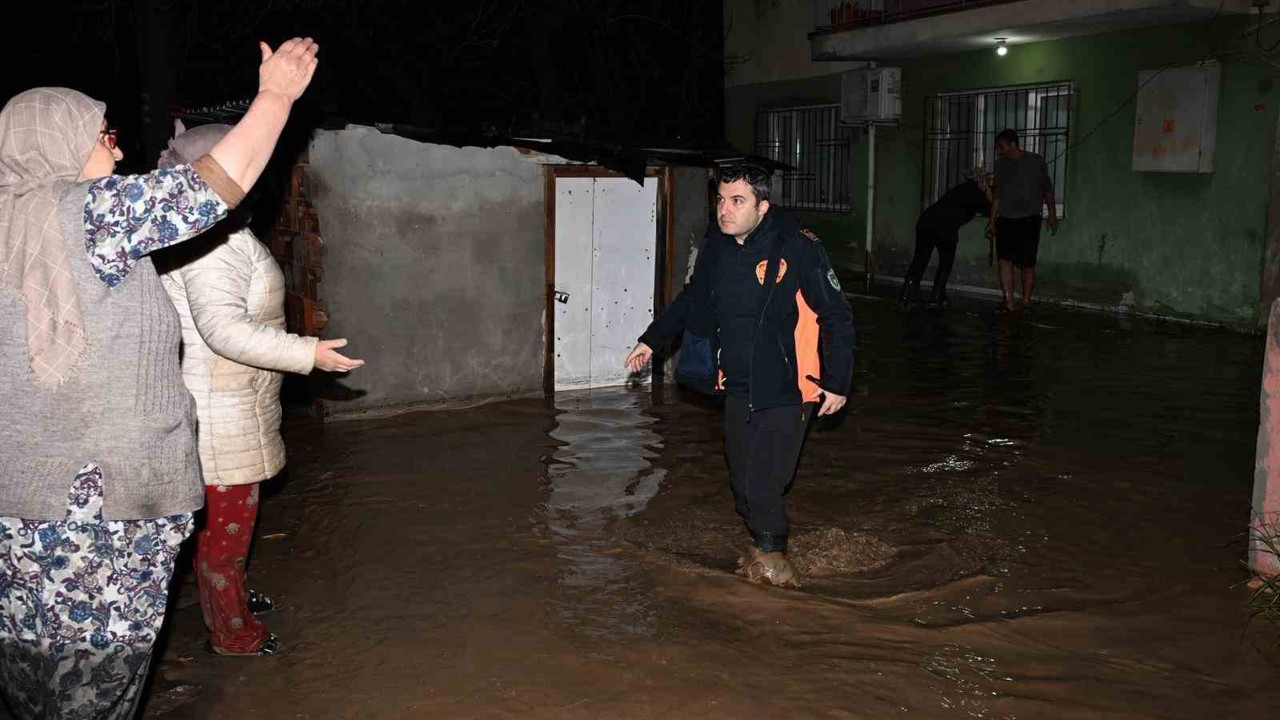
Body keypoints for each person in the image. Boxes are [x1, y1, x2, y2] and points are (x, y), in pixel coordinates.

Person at [0, 37, 319, 719]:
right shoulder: (84, 215)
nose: (116, 150)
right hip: (95, 507)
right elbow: (208, 188)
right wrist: (276, 97)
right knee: (97, 687)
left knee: (34, 674)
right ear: (54, 141)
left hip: (19, 505)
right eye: (102, 134)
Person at [154, 123, 364, 657]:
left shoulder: (218, 230)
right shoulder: (210, 244)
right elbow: (222, 330)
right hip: (218, 412)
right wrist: (306, 353)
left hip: (230, 402)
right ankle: (232, 634)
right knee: (226, 532)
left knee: (229, 529)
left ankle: (232, 599)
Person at [624, 164, 856, 587]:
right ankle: (766, 546)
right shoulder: (718, 245)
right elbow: (692, 297)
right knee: (741, 483)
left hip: (790, 389)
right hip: (735, 385)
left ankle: (774, 570)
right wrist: (652, 340)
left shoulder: (798, 248)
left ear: (763, 206)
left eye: (737, 201)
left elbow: (836, 314)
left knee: (764, 483)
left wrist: (837, 382)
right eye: (720, 200)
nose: (724, 210)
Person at [985, 129, 1058, 313]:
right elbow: (997, 196)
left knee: (1027, 264)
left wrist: (1052, 213)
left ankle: (1025, 302)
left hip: (1029, 219)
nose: (999, 151)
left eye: (1001, 147)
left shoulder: (1035, 161)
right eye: (997, 148)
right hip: (1006, 219)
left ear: (1012, 144)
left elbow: (1047, 190)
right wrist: (992, 221)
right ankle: (1009, 303)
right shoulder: (1001, 165)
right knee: (1004, 261)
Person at [900, 166, 992, 308]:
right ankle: (936, 296)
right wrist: (988, 193)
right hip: (945, 226)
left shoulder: (962, 189)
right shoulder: (975, 192)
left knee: (920, 259)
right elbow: (990, 209)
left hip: (927, 221)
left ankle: (907, 294)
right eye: (986, 180)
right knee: (945, 263)